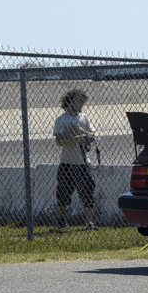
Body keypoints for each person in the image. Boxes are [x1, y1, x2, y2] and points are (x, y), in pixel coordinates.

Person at [53, 89, 99, 230]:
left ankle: (89, 223)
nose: (81, 104)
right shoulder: (61, 120)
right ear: (70, 101)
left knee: (88, 193)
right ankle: (61, 221)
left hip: (83, 163)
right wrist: (74, 139)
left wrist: (82, 132)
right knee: (63, 195)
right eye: (79, 101)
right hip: (67, 162)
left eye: (82, 102)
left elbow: (93, 133)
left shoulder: (83, 118)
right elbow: (59, 142)